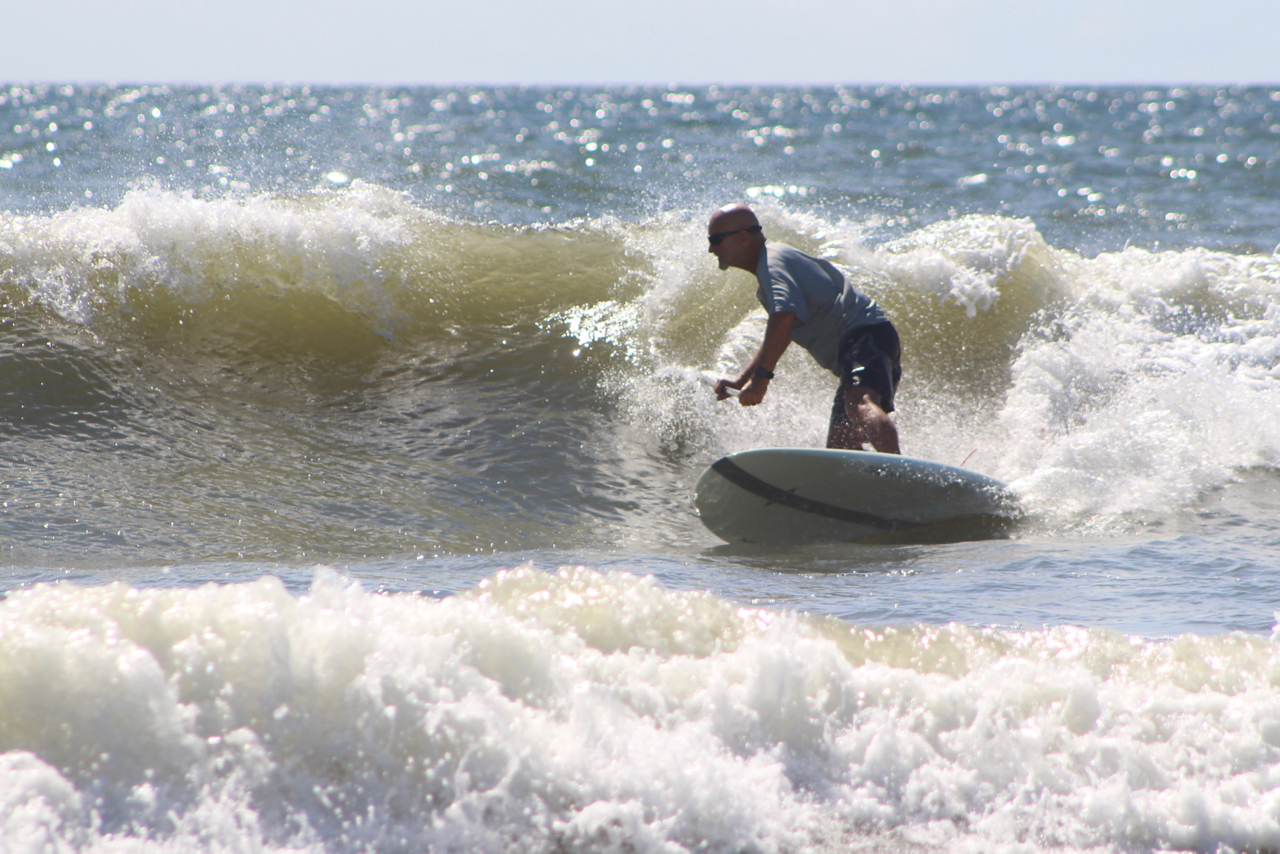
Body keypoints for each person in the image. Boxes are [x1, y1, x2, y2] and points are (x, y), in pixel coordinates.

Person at [708, 203, 901, 454]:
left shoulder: (772, 264)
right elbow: (784, 329)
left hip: (863, 335)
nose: (711, 249)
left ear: (743, 237)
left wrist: (761, 382)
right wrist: (743, 380)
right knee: (841, 445)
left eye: (716, 240)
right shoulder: (772, 264)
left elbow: (784, 317)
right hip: (863, 342)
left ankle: (899, 473)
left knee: (860, 404)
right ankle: (865, 490)